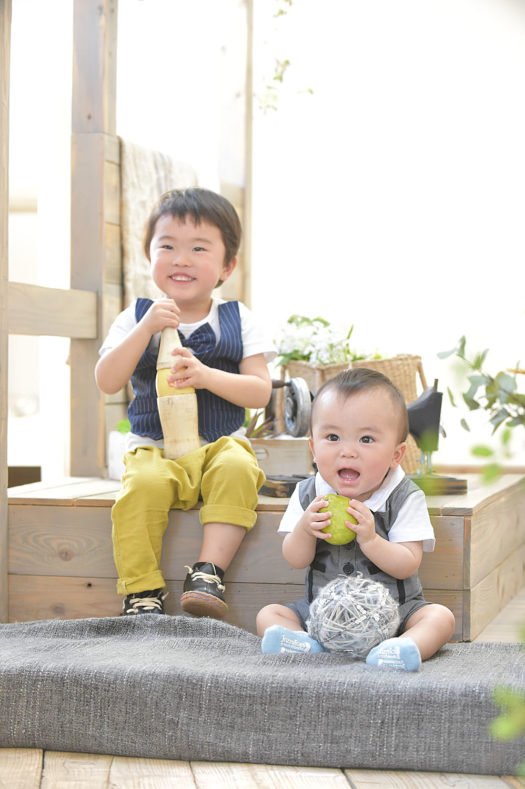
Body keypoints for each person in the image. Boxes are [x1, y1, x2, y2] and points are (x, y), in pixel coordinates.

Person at [95, 187, 275, 618]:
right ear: (150, 256)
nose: (181, 258)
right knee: (140, 489)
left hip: (219, 444)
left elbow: (259, 391)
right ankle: (141, 590)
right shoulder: (135, 315)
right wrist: (144, 331)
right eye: (167, 246)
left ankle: (209, 572)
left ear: (226, 266)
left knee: (238, 469)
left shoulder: (238, 317)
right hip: (152, 447)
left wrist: (207, 376)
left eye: (199, 248)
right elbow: (106, 380)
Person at [256, 368, 455, 671]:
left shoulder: (404, 496)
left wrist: (372, 540)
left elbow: (408, 562)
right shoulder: (308, 495)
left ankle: (402, 647)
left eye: (366, 439)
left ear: (396, 455)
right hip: (323, 614)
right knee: (268, 614)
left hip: (395, 615)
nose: (347, 452)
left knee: (440, 617)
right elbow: (295, 558)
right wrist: (306, 530)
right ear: (313, 447)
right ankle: (304, 643)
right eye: (332, 437)